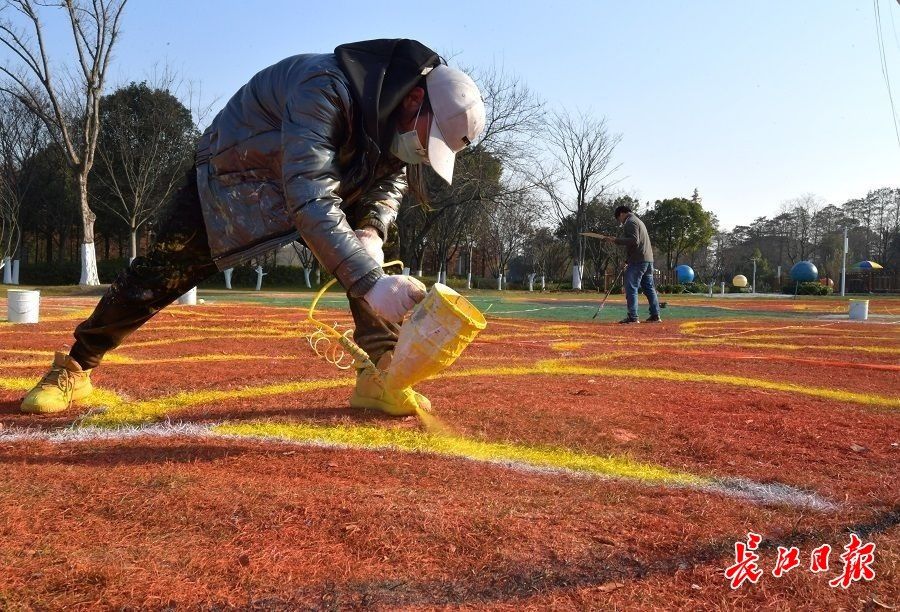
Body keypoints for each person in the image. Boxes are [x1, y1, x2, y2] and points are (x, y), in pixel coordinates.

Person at [20, 38, 486, 417]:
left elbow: (386, 182)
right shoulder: (323, 88)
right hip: (233, 176)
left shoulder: (393, 120)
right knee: (160, 274)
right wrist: (367, 280)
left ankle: (381, 372)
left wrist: (372, 234)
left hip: (309, 181)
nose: (426, 154)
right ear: (415, 100)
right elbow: (309, 193)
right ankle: (74, 366)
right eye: (431, 142)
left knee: (367, 259)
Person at [599, 205, 661, 324]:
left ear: (622, 214)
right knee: (649, 288)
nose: (620, 222)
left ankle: (633, 317)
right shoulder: (639, 221)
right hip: (647, 259)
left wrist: (615, 240)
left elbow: (634, 241)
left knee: (631, 287)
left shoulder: (630, 222)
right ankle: (655, 315)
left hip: (638, 261)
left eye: (619, 219)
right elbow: (638, 244)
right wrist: (628, 260)